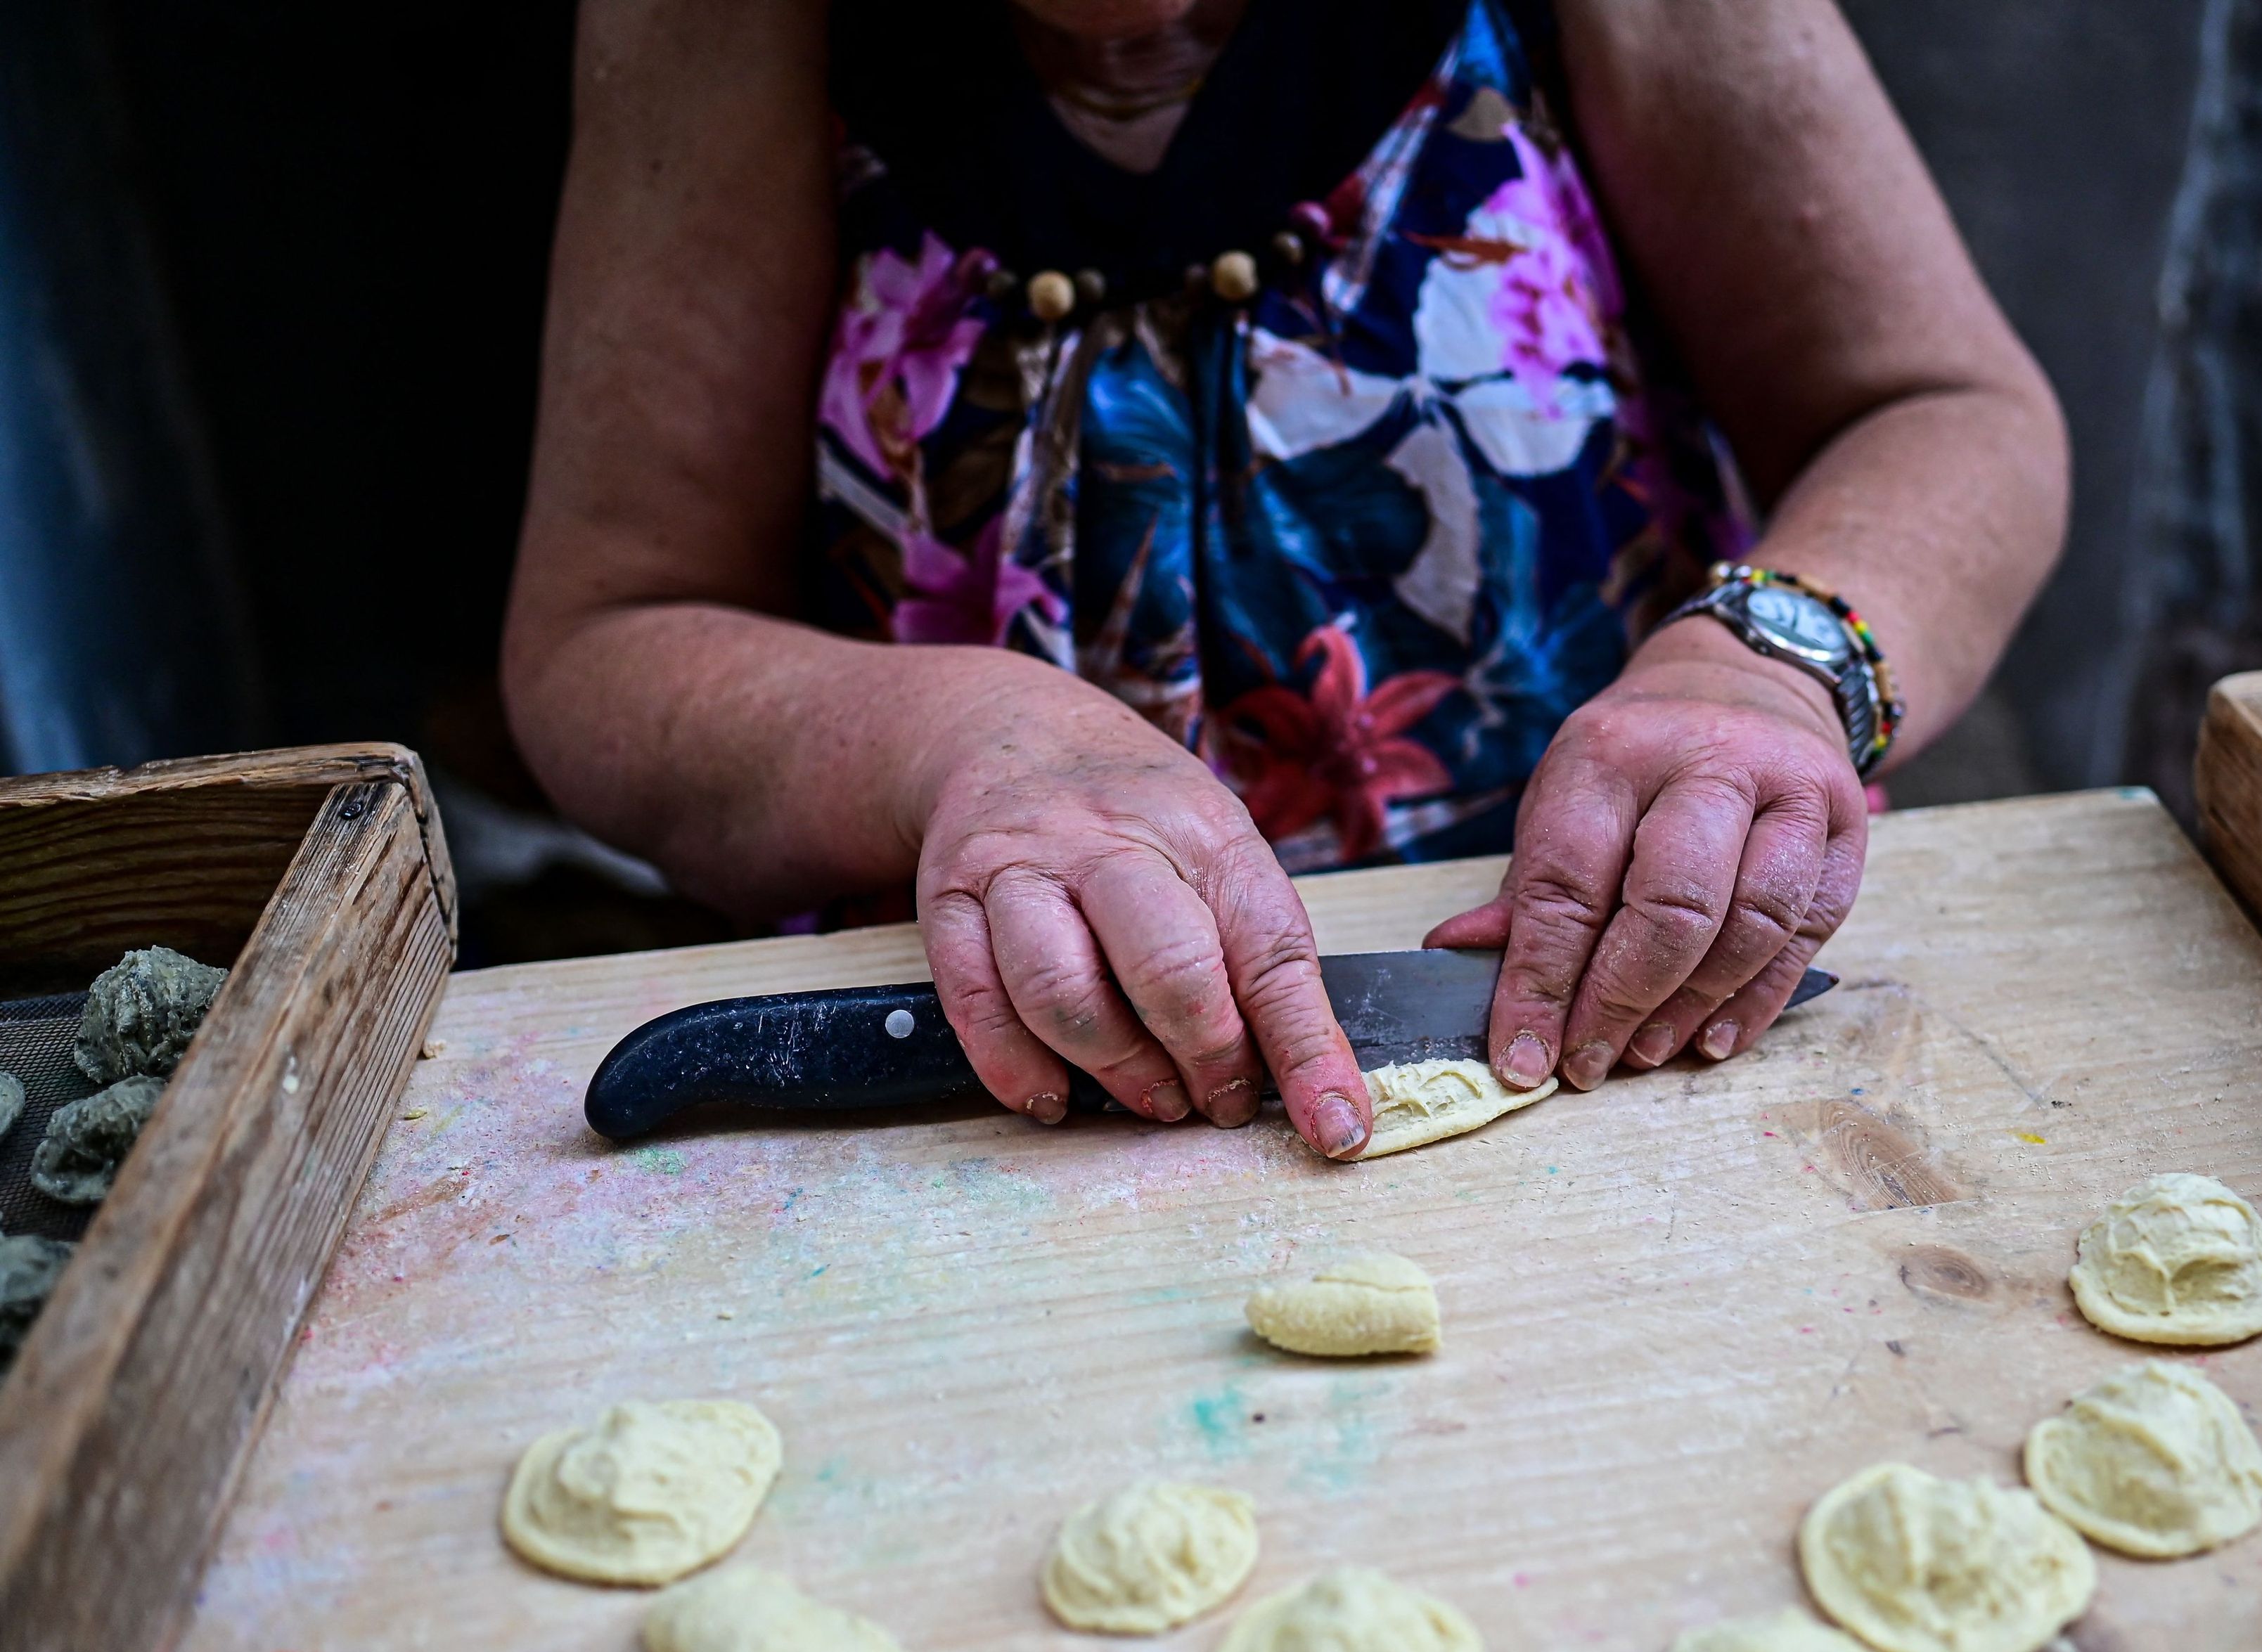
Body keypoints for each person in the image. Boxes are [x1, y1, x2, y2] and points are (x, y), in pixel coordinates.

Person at [501, 0, 2067, 1160]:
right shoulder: (716, 28)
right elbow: (605, 641)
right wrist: (963, 738)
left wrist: (1758, 669)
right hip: (984, 1078)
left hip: (1617, 1023)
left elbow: (1940, 415)